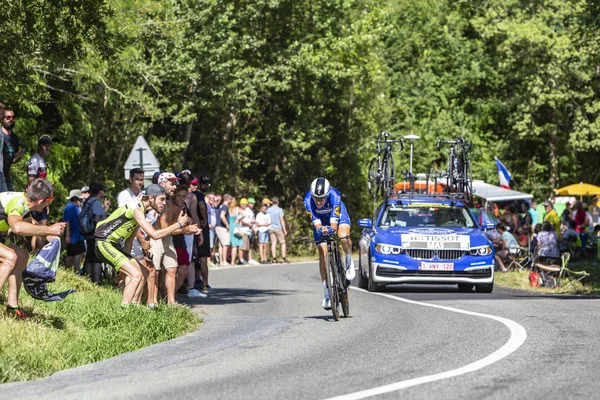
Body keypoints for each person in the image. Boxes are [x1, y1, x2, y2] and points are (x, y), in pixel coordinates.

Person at [95, 184, 194, 306]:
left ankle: (134, 308)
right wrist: (179, 224)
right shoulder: (136, 210)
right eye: (161, 199)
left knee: (143, 274)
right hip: (104, 242)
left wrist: (123, 268)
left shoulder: (139, 210)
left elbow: (129, 241)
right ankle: (124, 311)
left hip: (113, 245)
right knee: (136, 275)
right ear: (151, 198)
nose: (164, 203)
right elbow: (155, 235)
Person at [0, 179, 66, 319]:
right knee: (10, 257)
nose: (49, 206)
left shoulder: (25, 204)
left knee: (22, 256)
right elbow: (17, 227)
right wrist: (48, 229)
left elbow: (31, 224)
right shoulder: (17, 203)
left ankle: (12, 308)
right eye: (50, 201)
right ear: (41, 200)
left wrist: (48, 234)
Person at [304, 177, 354, 310]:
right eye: (316, 198)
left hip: (336, 215)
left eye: (322, 198)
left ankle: (349, 261)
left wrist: (331, 229)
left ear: (327, 195)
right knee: (322, 250)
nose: (319, 201)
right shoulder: (308, 200)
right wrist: (321, 230)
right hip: (320, 219)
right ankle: (327, 294)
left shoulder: (334, 195)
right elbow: (316, 223)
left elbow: (334, 226)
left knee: (343, 237)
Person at [82, 183, 108, 284]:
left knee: (89, 257)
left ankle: (87, 280)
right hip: (95, 234)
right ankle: (96, 281)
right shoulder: (96, 202)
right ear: (100, 192)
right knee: (96, 259)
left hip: (88, 234)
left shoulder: (88, 201)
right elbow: (97, 219)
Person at [63, 189, 86, 274]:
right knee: (76, 254)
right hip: (73, 236)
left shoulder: (77, 207)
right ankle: (75, 272)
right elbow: (67, 222)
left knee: (79, 254)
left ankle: (76, 271)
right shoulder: (70, 207)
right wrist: (67, 236)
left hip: (79, 236)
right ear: (76, 199)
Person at [0, 108, 23, 191]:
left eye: (13, 117)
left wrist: (18, 157)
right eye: (8, 117)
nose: (11, 120)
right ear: (2, 119)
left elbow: (11, 160)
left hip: (5, 175)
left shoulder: (14, 138)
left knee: (11, 197)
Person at [266, 196, 289, 263]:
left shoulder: (269, 210)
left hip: (271, 227)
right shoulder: (279, 210)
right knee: (282, 243)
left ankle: (274, 258)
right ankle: (283, 257)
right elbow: (281, 220)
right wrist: (284, 229)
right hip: (278, 228)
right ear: (278, 202)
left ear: (272, 202)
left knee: (273, 243)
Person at [215, 194, 232, 266]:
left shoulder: (220, 206)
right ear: (228, 199)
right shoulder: (225, 207)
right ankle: (224, 261)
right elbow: (222, 216)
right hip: (222, 227)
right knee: (225, 244)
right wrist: (227, 224)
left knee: (221, 245)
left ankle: (221, 261)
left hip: (217, 226)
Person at [229, 197, 243, 265]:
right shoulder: (237, 209)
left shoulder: (228, 209)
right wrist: (238, 219)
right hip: (235, 227)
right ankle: (232, 261)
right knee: (235, 246)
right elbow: (244, 214)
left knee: (229, 245)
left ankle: (227, 260)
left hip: (229, 227)